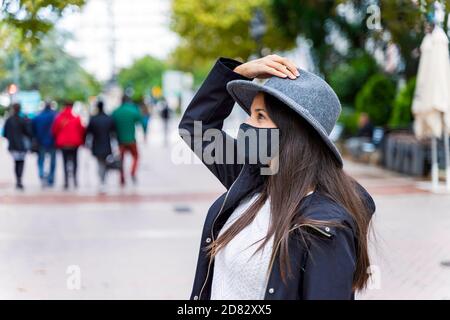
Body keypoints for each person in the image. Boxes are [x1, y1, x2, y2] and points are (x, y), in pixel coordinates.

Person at [179, 55, 376, 300]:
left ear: (293, 134)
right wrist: (238, 72)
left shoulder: (324, 228)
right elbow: (196, 129)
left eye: (260, 116)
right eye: (250, 115)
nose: (246, 126)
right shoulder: (253, 179)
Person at [51, 102, 85, 189]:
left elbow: (54, 130)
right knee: (75, 162)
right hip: (74, 143)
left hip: (63, 144)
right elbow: (82, 130)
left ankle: (66, 181)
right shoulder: (76, 118)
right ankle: (75, 179)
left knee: (65, 162)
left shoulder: (59, 118)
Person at [112, 95, 143, 186]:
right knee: (136, 156)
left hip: (120, 140)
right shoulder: (132, 110)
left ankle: (122, 177)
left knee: (121, 159)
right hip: (131, 139)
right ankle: (132, 172)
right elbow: (139, 119)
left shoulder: (116, 111)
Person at [86, 100, 116, 193]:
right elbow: (113, 132)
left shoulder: (93, 119)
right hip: (106, 144)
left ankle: (101, 180)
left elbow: (88, 132)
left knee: (99, 163)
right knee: (104, 162)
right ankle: (103, 180)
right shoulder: (109, 118)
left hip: (97, 144)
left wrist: (86, 143)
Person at [2, 103, 32, 190]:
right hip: (22, 145)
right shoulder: (23, 119)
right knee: (21, 162)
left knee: (16, 162)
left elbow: (5, 134)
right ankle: (19, 179)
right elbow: (28, 132)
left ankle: (18, 179)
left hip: (13, 145)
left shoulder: (9, 120)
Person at [31, 101, 57, 187]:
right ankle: (51, 178)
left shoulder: (38, 116)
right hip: (52, 142)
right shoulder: (55, 116)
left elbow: (33, 129)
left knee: (41, 160)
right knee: (52, 161)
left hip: (41, 141)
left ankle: (41, 174)